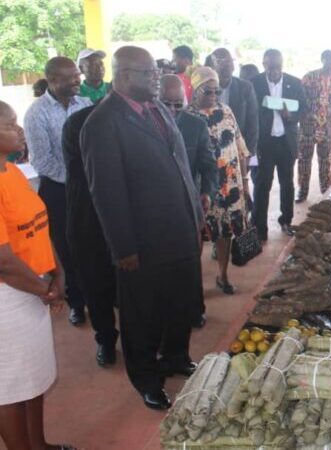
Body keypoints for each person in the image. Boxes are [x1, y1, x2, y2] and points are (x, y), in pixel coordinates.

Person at [81, 46, 203, 409]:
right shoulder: (102, 123)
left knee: (180, 301)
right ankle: (147, 379)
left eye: (156, 72)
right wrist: (123, 247)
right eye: (149, 73)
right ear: (124, 76)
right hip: (142, 241)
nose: (157, 79)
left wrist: (195, 217)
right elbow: (106, 192)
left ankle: (176, 356)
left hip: (180, 229)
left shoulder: (158, 107)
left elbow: (181, 167)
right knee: (143, 314)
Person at [0, 100, 74, 450]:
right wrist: (45, 289)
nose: (19, 130)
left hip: (34, 287)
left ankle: (38, 445)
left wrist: (57, 272)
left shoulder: (13, 172)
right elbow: (3, 261)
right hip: (9, 298)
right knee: (10, 387)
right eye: (9, 125)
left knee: (34, 377)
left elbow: (40, 227)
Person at [23, 56, 92, 327]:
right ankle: (77, 302)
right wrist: (75, 180)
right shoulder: (36, 113)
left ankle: (101, 293)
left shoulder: (85, 104)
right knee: (66, 247)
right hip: (58, 190)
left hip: (88, 185)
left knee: (92, 242)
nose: (77, 79)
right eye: (71, 76)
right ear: (52, 80)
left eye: (77, 75)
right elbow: (42, 160)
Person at [62, 94, 120, 367]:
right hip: (89, 219)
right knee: (96, 284)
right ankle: (106, 339)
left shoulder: (137, 119)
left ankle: (139, 339)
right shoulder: (79, 124)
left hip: (125, 217)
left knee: (132, 284)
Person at [160, 74, 218, 327]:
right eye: (166, 104)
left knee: (190, 262)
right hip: (154, 209)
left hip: (188, 205)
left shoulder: (195, 125)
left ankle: (195, 309)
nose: (172, 110)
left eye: (177, 104)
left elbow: (209, 165)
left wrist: (207, 192)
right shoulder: (142, 124)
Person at [186, 67, 249, 295]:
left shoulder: (226, 111)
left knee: (226, 231)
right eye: (208, 91)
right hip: (203, 186)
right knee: (199, 234)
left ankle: (222, 275)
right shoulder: (187, 117)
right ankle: (194, 283)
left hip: (230, 184)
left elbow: (240, 147)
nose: (214, 95)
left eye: (217, 91)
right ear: (195, 90)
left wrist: (245, 181)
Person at [251, 49, 307, 241]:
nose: (274, 71)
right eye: (270, 66)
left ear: (282, 65)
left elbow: (303, 109)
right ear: (263, 64)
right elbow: (250, 112)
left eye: (278, 67)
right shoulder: (254, 83)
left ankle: (286, 220)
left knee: (287, 183)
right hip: (264, 143)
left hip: (286, 142)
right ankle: (259, 228)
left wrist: (290, 116)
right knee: (262, 185)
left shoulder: (294, 82)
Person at [298, 49, 331, 203]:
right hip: (308, 125)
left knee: (326, 159)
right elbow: (299, 97)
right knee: (304, 159)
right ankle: (302, 191)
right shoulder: (309, 77)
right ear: (322, 59)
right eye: (328, 59)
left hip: (329, 127)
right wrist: (302, 115)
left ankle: (326, 191)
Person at [209, 48, 259, 157]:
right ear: (212, 66)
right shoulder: (205, 89)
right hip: (211, 150)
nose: (226, 65)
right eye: (220, 61)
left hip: (238, 149)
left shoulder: (245, 88)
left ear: (233, 66)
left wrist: (249, 153)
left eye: (229, 61)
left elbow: (252, 123)